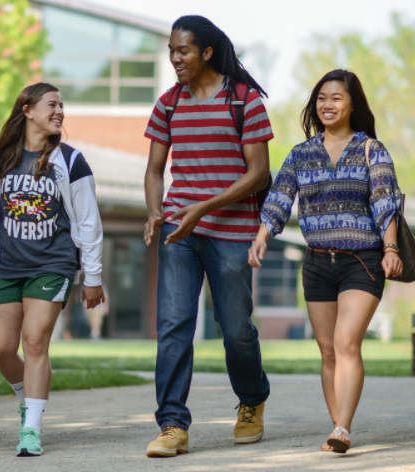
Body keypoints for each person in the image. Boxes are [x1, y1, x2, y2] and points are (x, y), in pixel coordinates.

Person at [250, 69, 402, 454]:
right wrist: (262, 237)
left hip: (361, 261)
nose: (328, 104)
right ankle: (337, 426)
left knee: (346, 342)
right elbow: (279, 198)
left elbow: (386, 203)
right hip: (317, 262)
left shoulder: (372, 149)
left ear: (352, 103)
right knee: (328, 349)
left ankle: (343, 428)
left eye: (336, 97)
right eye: (321, 98)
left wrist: (390, 249)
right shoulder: (302, 154)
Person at [143, 15, 272, 457]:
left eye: (183, 51)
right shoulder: (169, 103)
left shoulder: (245, 101)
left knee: (235, 329)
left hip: (232, 232)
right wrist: (156, 210)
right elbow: (155, 169)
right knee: (173, 327)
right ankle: (172, 424)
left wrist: (204, 207)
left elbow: (259, 174)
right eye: (171, 52)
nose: (175, 58)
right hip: (180, 233)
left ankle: (252, 400)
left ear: (206, 52)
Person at [0, 82, 105, 457]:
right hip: (5, 266)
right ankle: (29, 399)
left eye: (62, 105)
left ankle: (31, 429)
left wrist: (93, 276)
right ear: (27, 110)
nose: (59, 112)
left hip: (52, 264)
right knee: (2, 348)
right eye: (52, 105)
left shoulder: (71, 162)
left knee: (35, 341)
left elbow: (89, 223)